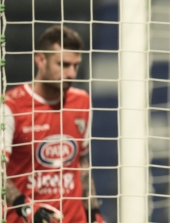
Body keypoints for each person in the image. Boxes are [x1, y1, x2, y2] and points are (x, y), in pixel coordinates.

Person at [2, 25, 106, 223]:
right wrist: (26, 207)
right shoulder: (11, 106)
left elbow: (81, 162)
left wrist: (94, 212)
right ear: (40, 60)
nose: (71, 74)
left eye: (75, 66)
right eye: (64, 65)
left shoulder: (81, 101)